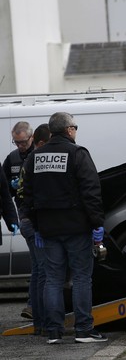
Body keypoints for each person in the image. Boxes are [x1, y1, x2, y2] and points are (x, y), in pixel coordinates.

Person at [21, 112, 108, 344]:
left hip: (48, 229)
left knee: (52, 279)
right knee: (81, 278)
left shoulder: (35, 157)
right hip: (76, 228)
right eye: (75, 127)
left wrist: (37, 226)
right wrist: (97, 224)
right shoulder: (78, 153)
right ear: (69, 130)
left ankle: (54, 332)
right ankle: (83, 330)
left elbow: (27, 196)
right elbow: (91, 192)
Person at [16, 123, 51, 335]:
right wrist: (38, 225)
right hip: (34, 223)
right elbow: (30, 196)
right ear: (41, 143)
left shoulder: (29, 161)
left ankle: (39, 323)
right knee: (45, 273)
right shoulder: (37, 161)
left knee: (39, 272)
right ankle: (44, 323)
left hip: (27, 221)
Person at [3, 121, 35, 320]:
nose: (20, 146)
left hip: (38, 213)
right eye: (16, 142)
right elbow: (3, 187)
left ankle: (35, 306)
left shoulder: (39, 154)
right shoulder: (12, 158)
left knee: (41, 265)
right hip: (24, 214)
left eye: (23, 142)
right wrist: (13, 186)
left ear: (31, 138)